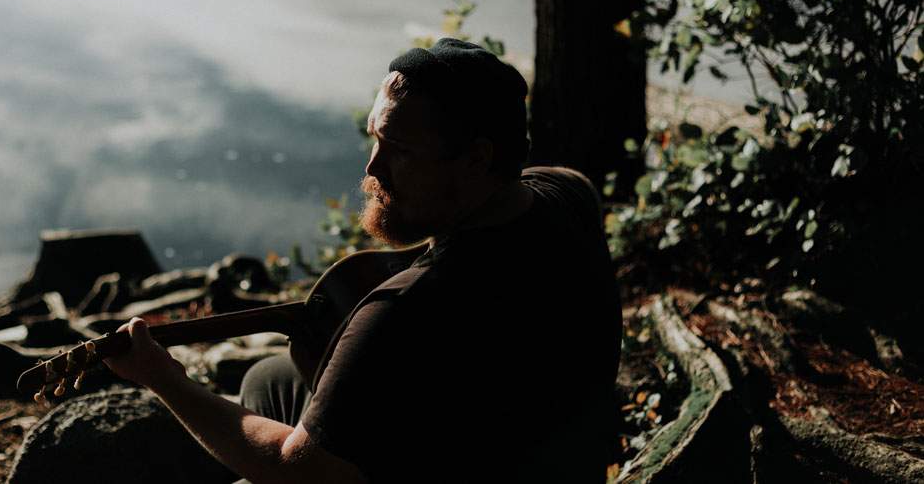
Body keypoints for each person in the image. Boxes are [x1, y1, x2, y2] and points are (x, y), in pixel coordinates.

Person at [106, 38, 622, 483]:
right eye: (375, 137)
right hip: (555, 454)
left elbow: (299, 472)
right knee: (268, 379)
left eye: (398, 149)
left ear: (477, 158)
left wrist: (163, 377)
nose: (373, 168)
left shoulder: (404, 311)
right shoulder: (567, 196)